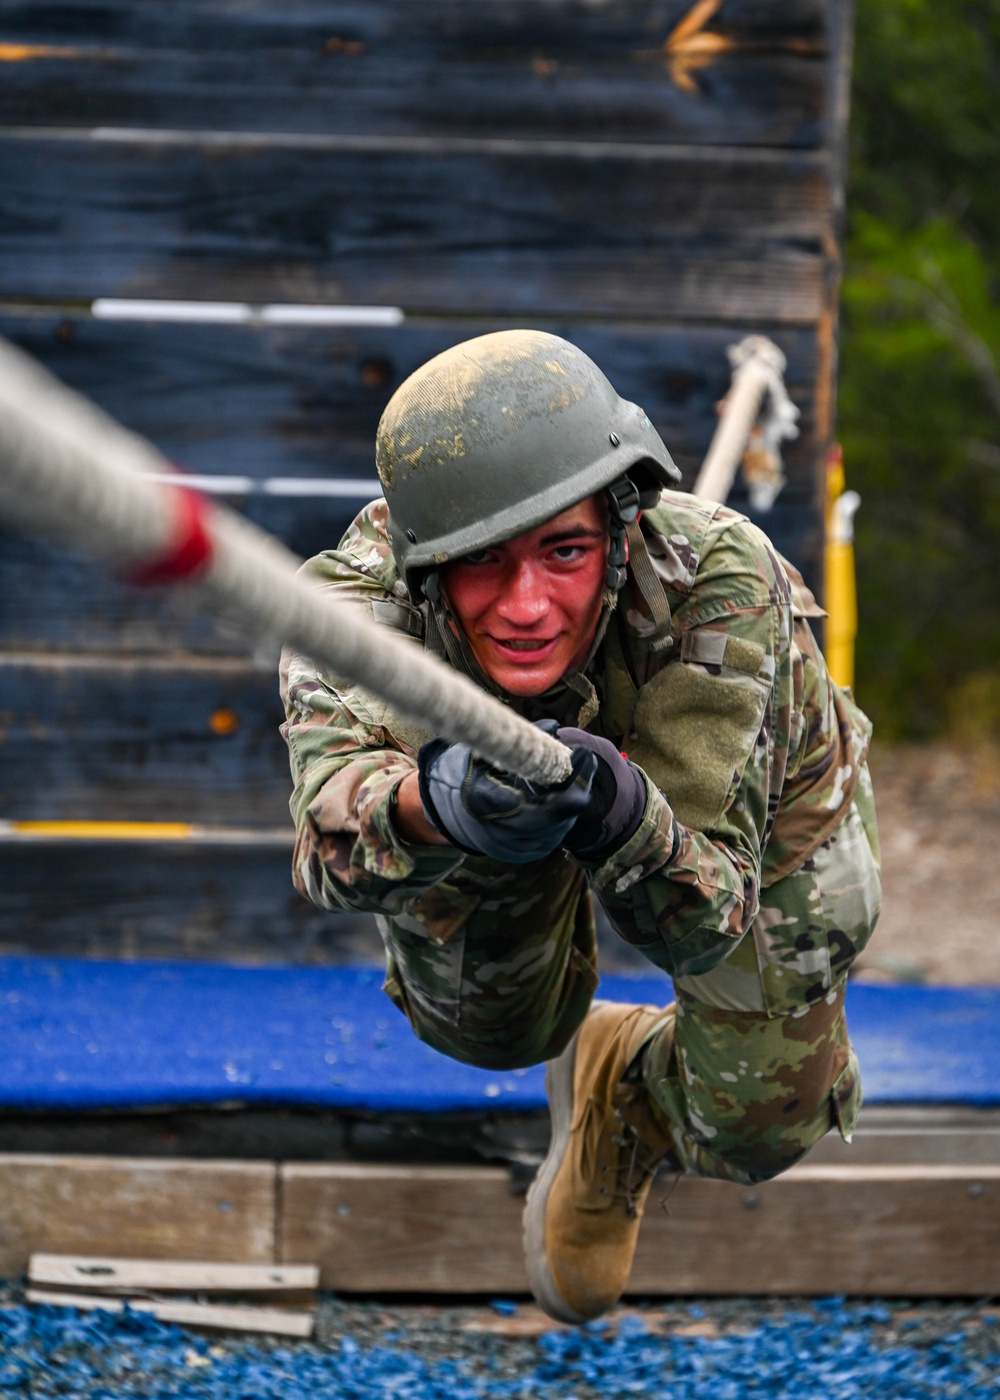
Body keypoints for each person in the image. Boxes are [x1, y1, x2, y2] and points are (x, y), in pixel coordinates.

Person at [280, 330, 881, 1323]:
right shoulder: (357, 602)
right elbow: (333, 848)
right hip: (477, 809)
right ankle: (550, 992)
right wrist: (448, 806)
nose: (525, 606)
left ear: (618, 520)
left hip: (753, 813)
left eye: (564, 551)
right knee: (492, 1026)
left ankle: (625, 1095)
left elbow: (699, 916)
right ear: (428, 566)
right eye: (482, 564)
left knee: (758, 1126)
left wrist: (621, 812)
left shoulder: (716, 577)